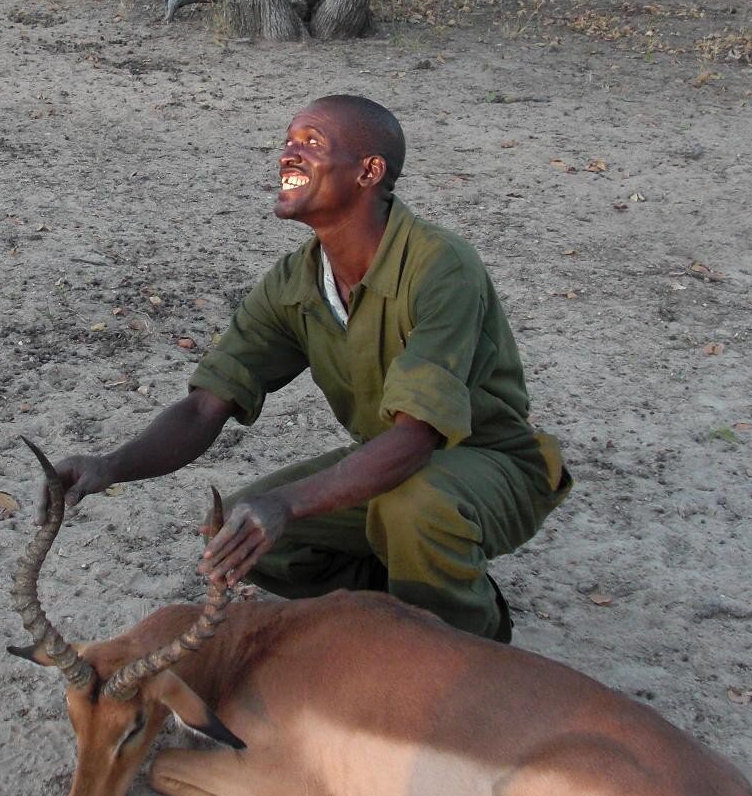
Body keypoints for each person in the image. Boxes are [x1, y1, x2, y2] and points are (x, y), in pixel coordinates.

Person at [49, 96, 569, 642]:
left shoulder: (441, 265)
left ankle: (471, 649)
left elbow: (417, 439)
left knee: (414, 508)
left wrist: (287, 503)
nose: (287, 155)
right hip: (388, 460)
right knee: (239, 531)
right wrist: (111, 466)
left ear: (370, 172)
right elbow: (207, 405)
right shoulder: (296, 282)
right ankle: (406, 603)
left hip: (491, 461)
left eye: (312, 143)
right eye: (288, 141)